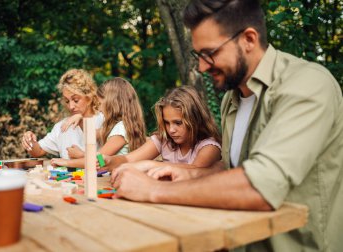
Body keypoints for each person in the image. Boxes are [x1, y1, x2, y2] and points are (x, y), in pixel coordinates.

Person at [110, 0, 343, 251]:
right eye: (198, 55)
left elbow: (260, 186)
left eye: (210, 53)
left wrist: (154, 190)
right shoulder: (232, 99)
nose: (201, 66)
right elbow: (235, 167)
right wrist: (187, 173)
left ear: (249, 40)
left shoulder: (306, 85)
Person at [102, 85, 222, 172]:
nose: (171, 130)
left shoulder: (210, 146)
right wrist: (109, 161)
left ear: (195, 119)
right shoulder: (163, 140)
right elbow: (128, 159)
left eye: (178, 123)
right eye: (167, 123)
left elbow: (195, 170)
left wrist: (151, 165)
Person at [53, 77, 147, 168]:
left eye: (101, 104)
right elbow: (101, 158)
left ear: (112, 104)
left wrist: (66, 162)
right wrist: (81, 117)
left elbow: (98, 161)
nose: (99, 108)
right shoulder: (123, 126)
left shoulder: (120, 129)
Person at [21, 69, 104, 166]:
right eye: (67, 101)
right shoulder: (62, 126)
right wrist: (30, 142)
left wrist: (74, 159)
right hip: (67, 181)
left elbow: (104, 162)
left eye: (76, 100)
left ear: (89, 99)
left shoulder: (104, 120)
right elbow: (38, 151)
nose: (71, 106)